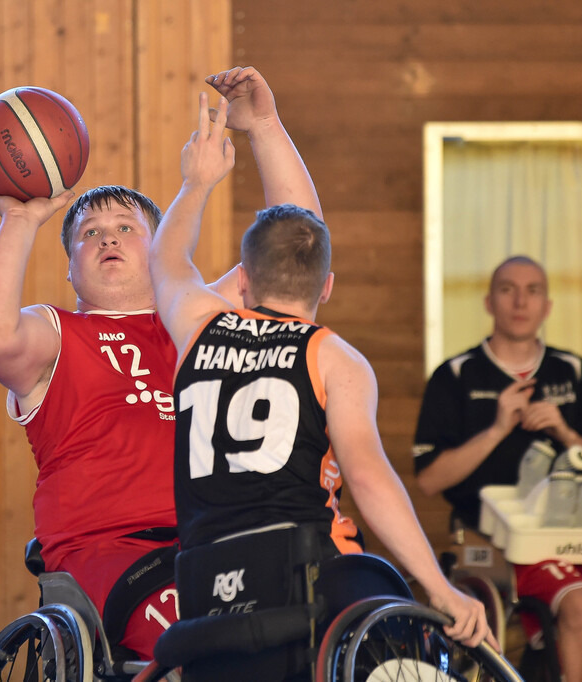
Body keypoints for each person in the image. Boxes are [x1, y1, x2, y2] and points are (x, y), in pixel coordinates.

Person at [0, 66, 320, 660]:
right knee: (217, 638)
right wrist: (21, 219)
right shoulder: (58, 334)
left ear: (161, 247)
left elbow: (301, 242)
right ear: (70, 270)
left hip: (219, 540)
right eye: (88, 233)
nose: (108, 238)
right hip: (112, 558)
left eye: (127, 226)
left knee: (317, 624)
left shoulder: (199, 318)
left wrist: (265, 127)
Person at [148, 91, 493, 678]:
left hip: (208, 587)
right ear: (326, 286)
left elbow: (167, 258)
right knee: (413, 635)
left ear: (244, 281)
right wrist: (439, 587)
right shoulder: (335, 358)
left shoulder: (198, 325)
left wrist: (196, 182)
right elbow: (368, 477)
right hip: (309, 572)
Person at [413, 255, 582, 682]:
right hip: (495, 538)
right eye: (508, 289)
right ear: (489, 302)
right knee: (580, 604)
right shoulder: (455, 375)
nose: (520, 302)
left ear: (547, 305)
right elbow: (429, 479)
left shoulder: (574, 371)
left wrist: (565, 432)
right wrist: (497, 429)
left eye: (533, 291)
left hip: (580, 531)